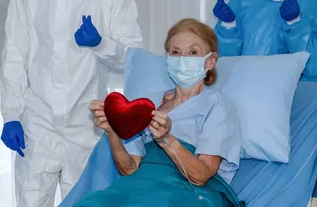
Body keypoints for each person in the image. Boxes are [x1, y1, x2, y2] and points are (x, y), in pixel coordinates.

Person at [0, 0, 143, 206]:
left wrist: (100, 43)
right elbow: (14, 54)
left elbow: (134, 55)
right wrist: (11, 114)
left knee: (86, 201)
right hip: (37, 122)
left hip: (87, 124)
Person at [75, 18, 242, 207]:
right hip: (139, 186)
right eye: (175, 52)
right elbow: (129, 169)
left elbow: (201, 176)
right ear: (168, 58)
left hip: (190, 191)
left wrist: (166, 140)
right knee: (91, 203)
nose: (182, 59)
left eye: (193, 52)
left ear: (210, 61)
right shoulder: (148, 103)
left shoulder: (218, 106)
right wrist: (111, 131)